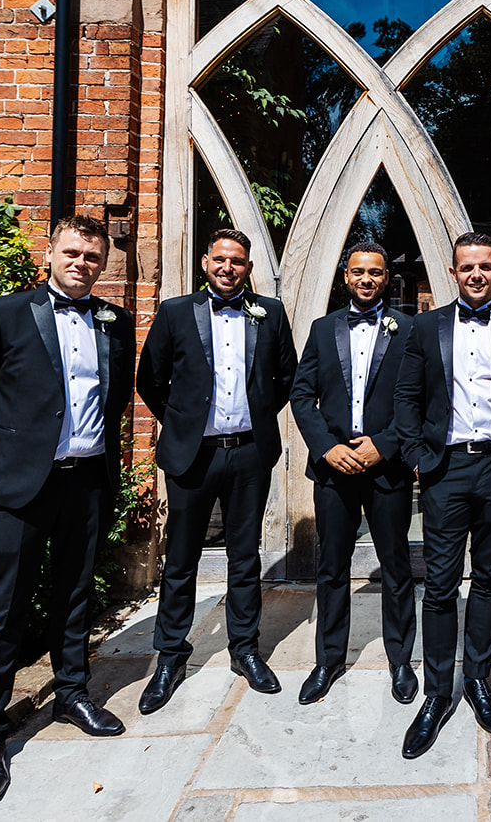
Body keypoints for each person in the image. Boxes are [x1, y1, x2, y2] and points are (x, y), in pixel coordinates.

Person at [0, 215, 134, 806]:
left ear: (104, 264)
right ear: (49, 251)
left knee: (76, 595)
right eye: (72, 252)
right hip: (19, 488)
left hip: (86, 484)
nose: (82, 263)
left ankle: (73, 692)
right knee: (4, 609)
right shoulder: (4, 313)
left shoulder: (116, 321)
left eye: (93, 257)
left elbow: (117, 393)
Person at [393, 232, 491, 759]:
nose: (475, 274)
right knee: (438, 585)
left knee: (489, 580)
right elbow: (406, 396)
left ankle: (478, 681)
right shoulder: (424, 326)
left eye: (484, 266)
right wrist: (416, 456)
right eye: (466, 267)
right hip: (445, 470)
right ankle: (436, 695)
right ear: (452, 272)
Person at [136, 228, 297, 712]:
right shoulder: (176, 312)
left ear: (248, 268)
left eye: (239, 262)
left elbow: (286, 375)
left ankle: (245, 649)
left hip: (249, 453)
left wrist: (258, 413)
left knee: (244, 557)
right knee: (181, 560)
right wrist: (182, 422)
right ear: (205, 261)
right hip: (194, 454)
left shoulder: (270, 313)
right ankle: (170, 657)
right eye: (221, 259)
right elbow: (150, 378)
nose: (229, 268)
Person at [289, 242, 419, 706]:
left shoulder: (409, 329)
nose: (367, 279)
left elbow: (419, 400)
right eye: (359, 272)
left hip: (387, 468)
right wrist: (327, 448)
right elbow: (302, 395)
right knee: (331, 567)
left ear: (388, 278)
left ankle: (401, 660)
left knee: (397, 566)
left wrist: (383, 446)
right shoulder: (323, 329)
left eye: (376, 273)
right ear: (346, 276)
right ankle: (328, 660)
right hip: (335, 469)